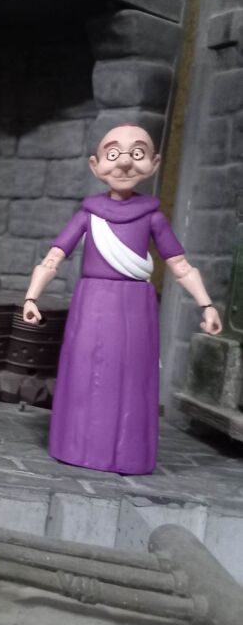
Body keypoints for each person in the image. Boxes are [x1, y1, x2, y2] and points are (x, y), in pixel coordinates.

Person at [23, 125, 223, 474]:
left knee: (130, 380)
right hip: (91, 306)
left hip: (134, 309)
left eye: (138, 153)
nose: (126, 163)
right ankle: (76, 444)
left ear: (154, 163)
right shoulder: (88, 215)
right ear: (96, 164)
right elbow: (54, 257)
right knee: (85, 373)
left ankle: (126, 452)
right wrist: (31, 297)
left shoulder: (152, 217)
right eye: (114, 154)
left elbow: (180, 265)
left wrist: (206, 305)